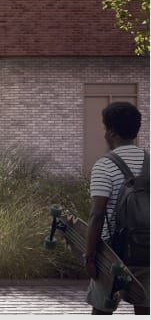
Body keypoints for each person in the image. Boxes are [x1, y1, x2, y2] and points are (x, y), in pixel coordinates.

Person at [85, 101, 148, 315]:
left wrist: (90, 257)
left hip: (111, 254)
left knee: (102, 312)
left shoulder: (105, 165)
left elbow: (97, 214)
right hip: (147, 251)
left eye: (105, 128)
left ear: (111, 131)